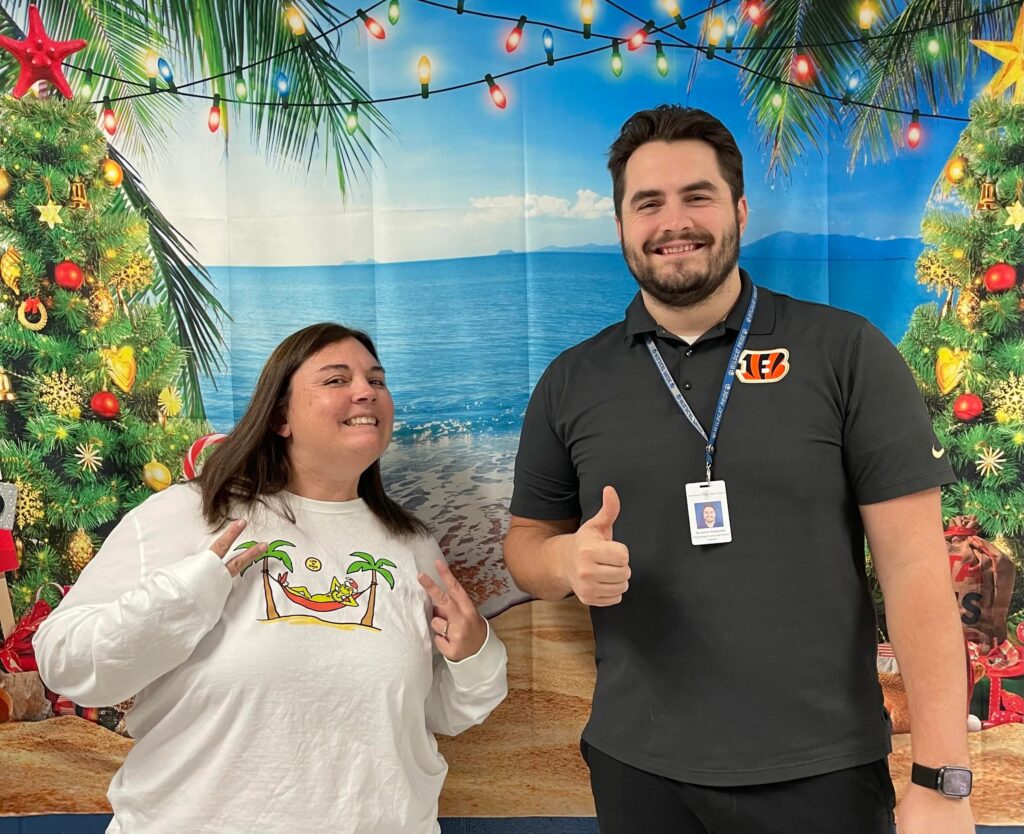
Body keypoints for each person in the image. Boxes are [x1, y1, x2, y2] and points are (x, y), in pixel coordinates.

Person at [503, 106, 973, 834]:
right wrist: (565, 559)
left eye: (698, 196)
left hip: (824, 772)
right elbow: (526, 545)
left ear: (740, 210)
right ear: (621, 225)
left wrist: (942, 780)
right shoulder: (571, 382)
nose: (674, 222)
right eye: (648, 203)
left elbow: (915, 569)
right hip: (640, 771)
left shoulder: (846, 353)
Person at [35, 323, 508, 834]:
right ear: (281, 416)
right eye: (336, 379)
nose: (366, 391)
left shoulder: (411, 545)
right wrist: (187, 596)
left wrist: (475, 655)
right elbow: (65, 664)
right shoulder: (188, 515)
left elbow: (433, 714)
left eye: (376, 379)